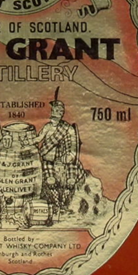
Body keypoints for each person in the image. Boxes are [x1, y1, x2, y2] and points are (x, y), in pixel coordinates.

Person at [35, 88, 85, 220]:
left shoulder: (68, 128)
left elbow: (74, 145)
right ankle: (56, 204)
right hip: (49, 160)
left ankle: (65, 204)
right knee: (50, 181)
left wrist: (69, 157)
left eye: (59, 111)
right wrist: (27, 141)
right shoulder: (47, 127)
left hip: (66, 161)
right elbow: (38, 139)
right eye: (54, 111)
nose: (56, 113)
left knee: (71, 181)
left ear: (62, 113)